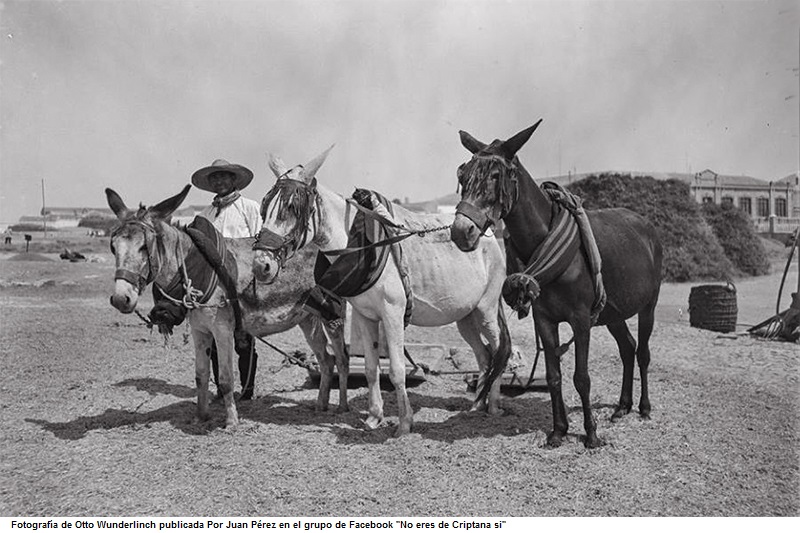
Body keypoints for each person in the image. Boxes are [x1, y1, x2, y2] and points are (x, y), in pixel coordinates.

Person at [192, 158, 262, 400]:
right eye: (215, 178)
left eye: (224, 176)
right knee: (212, 341)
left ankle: (248, 390)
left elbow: (259, 244)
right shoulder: (205, 214)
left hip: (242, 283)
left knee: (244, 340)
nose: (219, 181)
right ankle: (223, 390)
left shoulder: (249, 207)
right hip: (213, 287)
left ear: (234, 180)